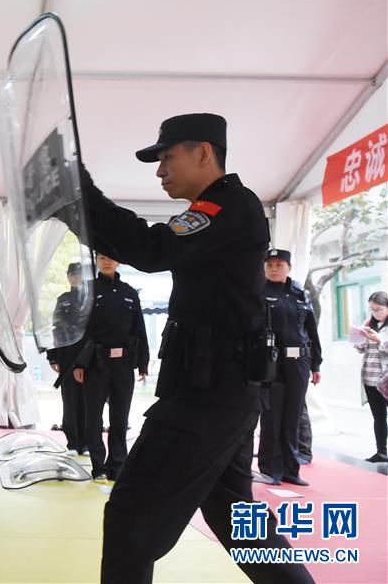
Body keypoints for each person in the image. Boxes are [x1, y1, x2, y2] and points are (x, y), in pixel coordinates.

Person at [71, 113, 313, 583]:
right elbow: (151, 246)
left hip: (208, 398)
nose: (160, 170)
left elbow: (152, 249)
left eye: (167, 157)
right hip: (221, 390)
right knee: (235, 518)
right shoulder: (219, 208)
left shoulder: (229, 206)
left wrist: (81, 194)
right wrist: (75, 206)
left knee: (129, 519)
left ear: (204, 152)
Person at [74, 253, 148, 480]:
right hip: (96, 363)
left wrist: (142, 364)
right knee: (94, 417)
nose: (107, 262)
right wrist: (78, 363)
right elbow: (78, 330)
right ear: (97, 261)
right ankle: (99, 466)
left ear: (119, 261)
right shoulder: (87, 290)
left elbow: (139, 329)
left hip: (123, 364)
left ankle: (117, 465)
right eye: (103, 258)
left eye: (111, 258)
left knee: (120, 417)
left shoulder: (129, 292)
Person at [257, 249, 322, 486]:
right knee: (272, 414)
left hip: (299, 361)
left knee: (293, 416)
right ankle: (270, 468)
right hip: (272, 360)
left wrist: (316, 363)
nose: (274, 268)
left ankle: (291, 469)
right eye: (270, 265)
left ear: (289, 268)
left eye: (279, 264)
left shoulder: (299, 294)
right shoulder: (259, 292)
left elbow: (311, 331)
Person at [47, 262, 90, 456]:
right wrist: (52, 357)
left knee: (90, 402)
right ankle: (73, 443)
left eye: (78, 274)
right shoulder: (63, 299)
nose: (75, 277)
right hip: (67, 357)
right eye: (72, 274)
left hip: (90, 357)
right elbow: (55, 328)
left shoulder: (91, 298)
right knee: (70, 401)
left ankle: (87, 443)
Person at [354, 291, 388, 463]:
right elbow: (362, 349)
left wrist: (379, 340)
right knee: (378, 416)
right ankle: (381, 451)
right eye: (372, 310)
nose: (375, 313)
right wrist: (359, 339)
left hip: (385, 379)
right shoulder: (370, 325)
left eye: (379, 309)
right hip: (370, 377)